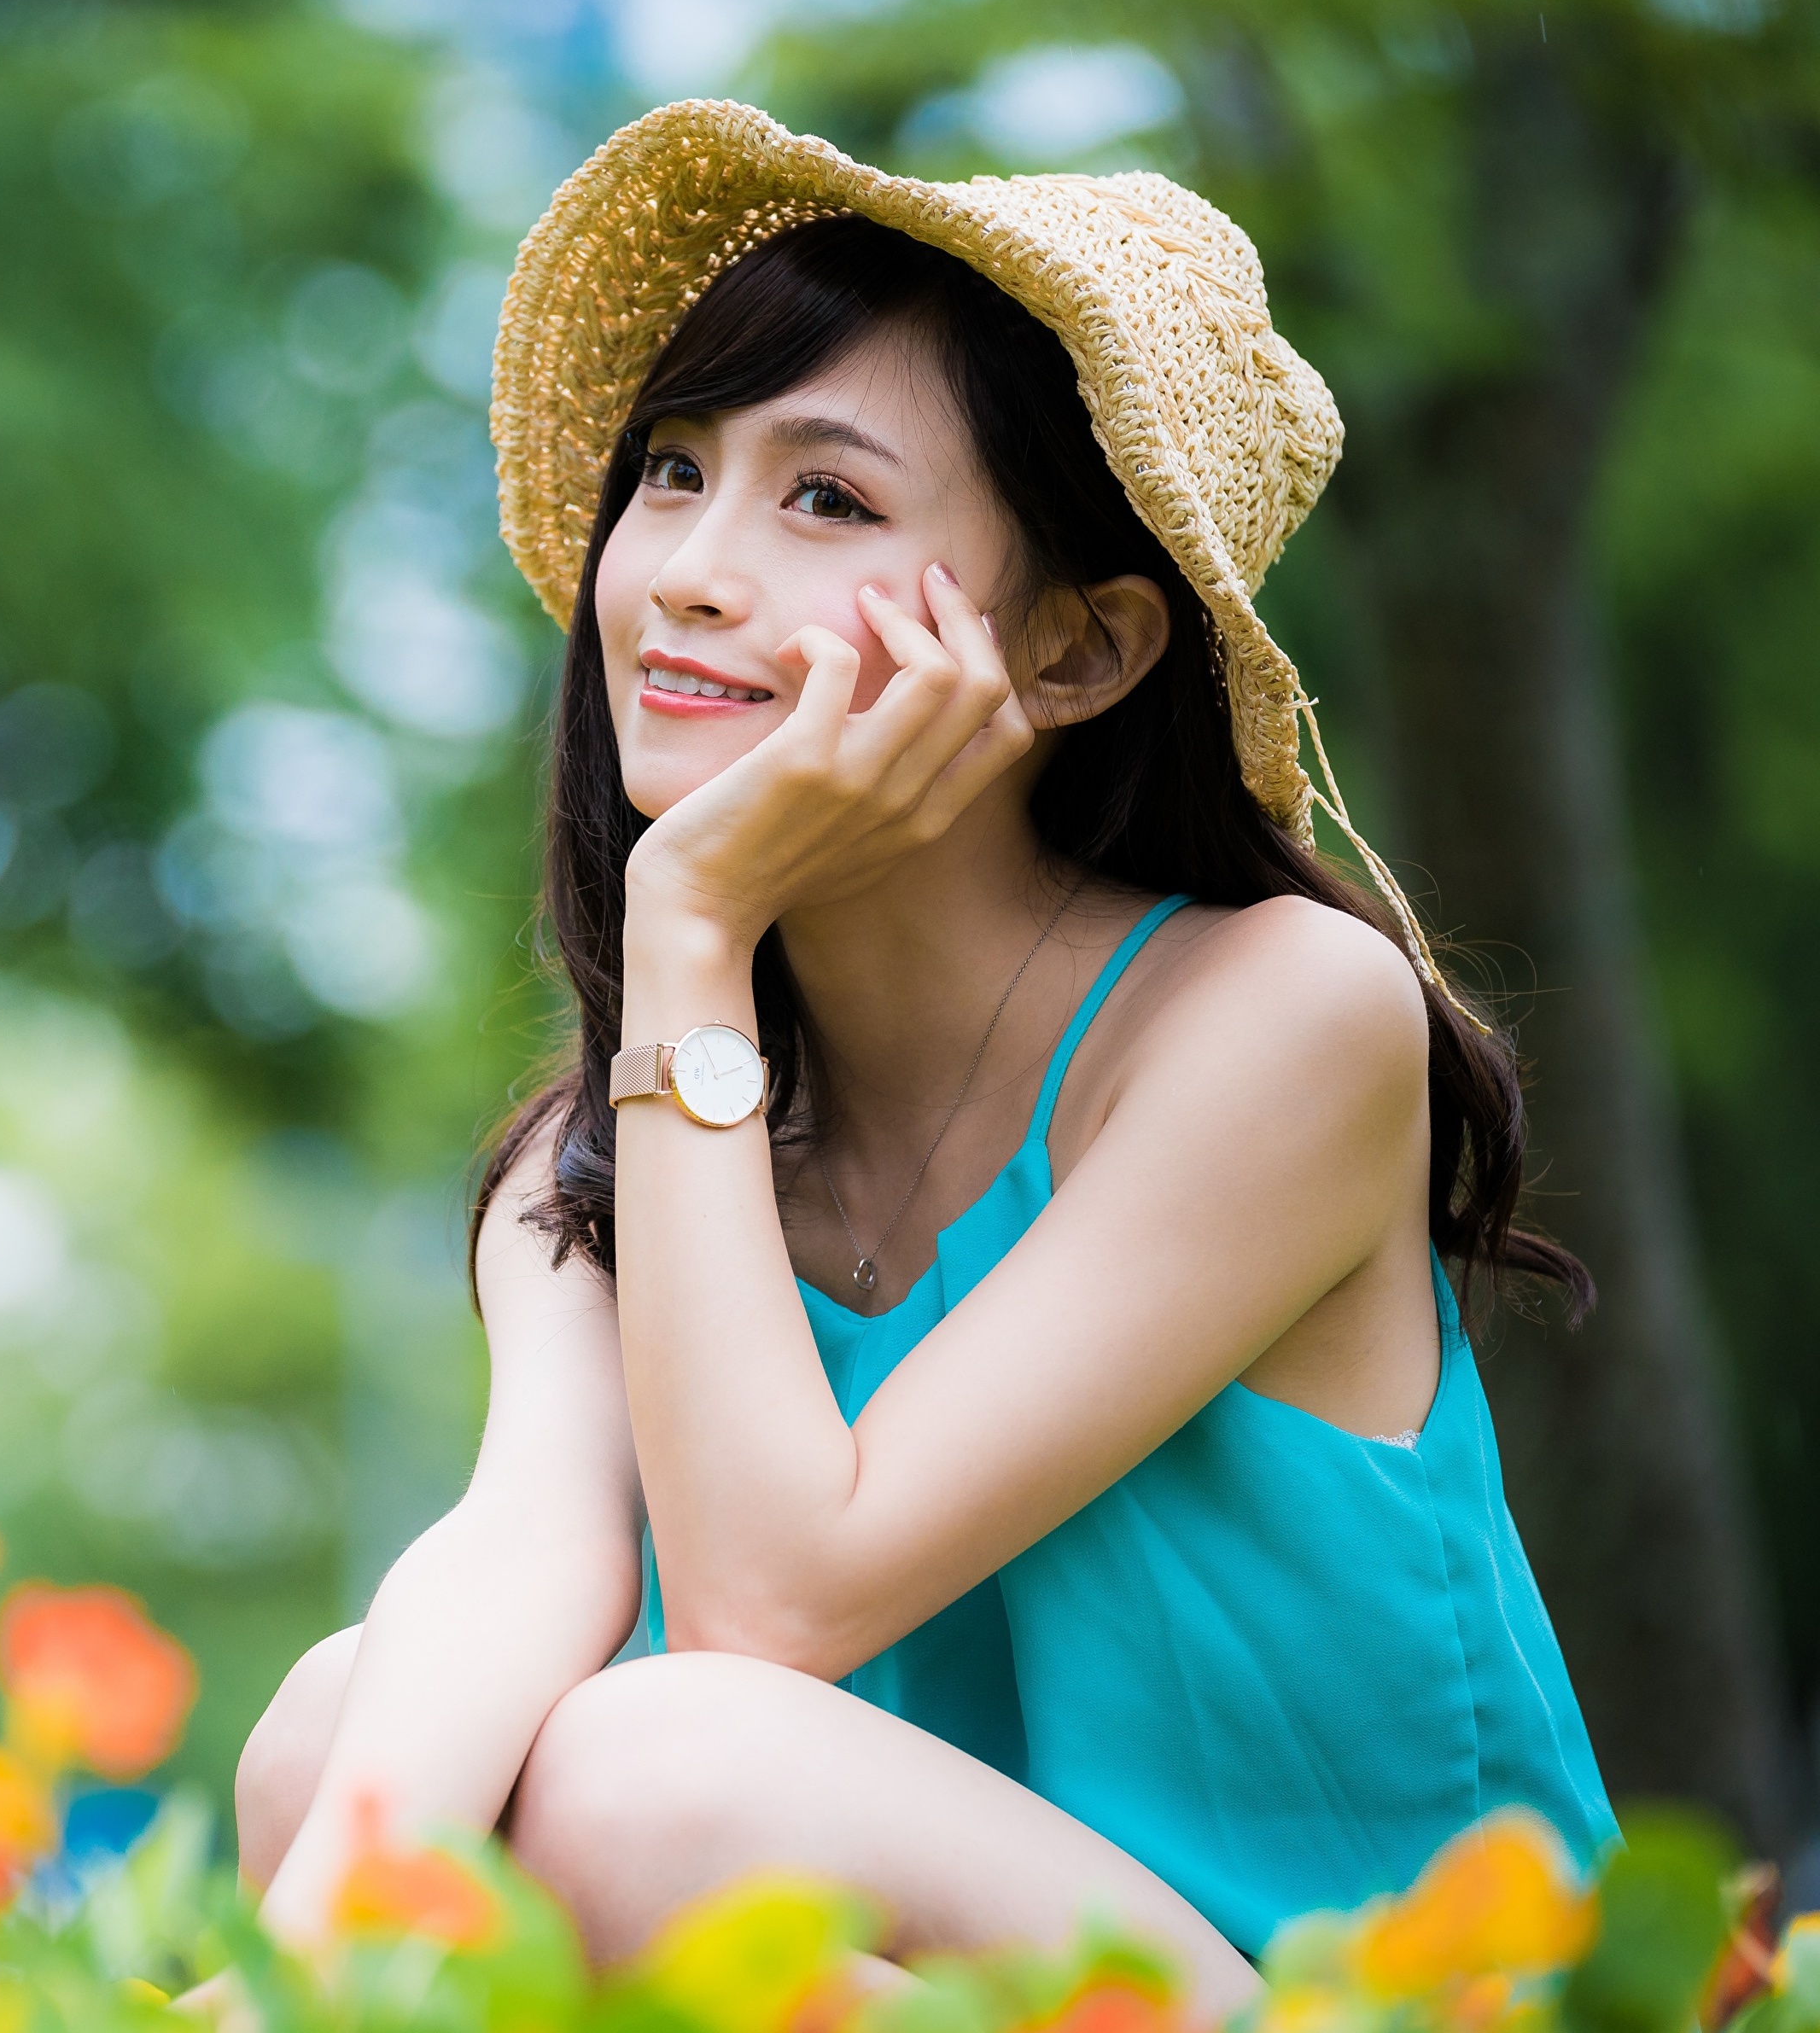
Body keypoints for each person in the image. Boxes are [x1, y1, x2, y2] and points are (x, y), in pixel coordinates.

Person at [228, 102, 1616, 2013]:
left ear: (1072, 655)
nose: (691, 573)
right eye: (675, 474)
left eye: (829, 502)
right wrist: (290, 1987)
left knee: (640, 1778)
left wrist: (693, 933)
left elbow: (771, 1607)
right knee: (338, 1736)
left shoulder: (1281, 1016)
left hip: (1353, 1999)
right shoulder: (623, 1133)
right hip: (960, 1987)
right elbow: (520, 1552)